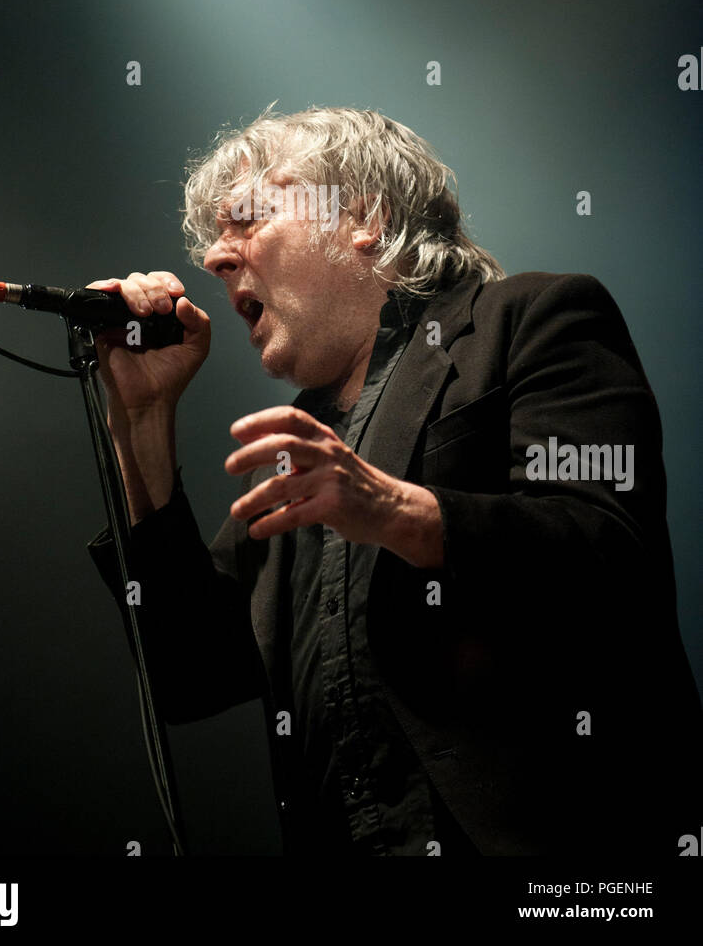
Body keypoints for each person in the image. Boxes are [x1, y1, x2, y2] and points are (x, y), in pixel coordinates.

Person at [86, 106, 702, 856]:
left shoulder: (533, 319)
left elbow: (609, 557)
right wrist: (142, 421)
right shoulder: (304, 445)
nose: (215, 260)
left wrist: (393, 510)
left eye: (245, 218)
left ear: (363, 218)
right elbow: (192, 672)